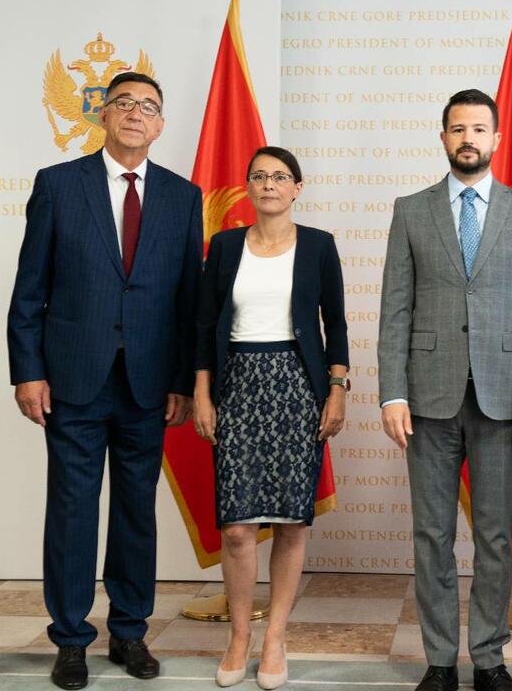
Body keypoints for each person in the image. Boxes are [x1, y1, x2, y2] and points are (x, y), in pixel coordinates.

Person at [7, 72, 203, 690]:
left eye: (149, 107)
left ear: (160, 124)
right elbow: (29, 288)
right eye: (124, 104)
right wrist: (28, 371)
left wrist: (181, 379)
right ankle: (70, 639)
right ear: (103, 114)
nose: (136, 114)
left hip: (149, 382)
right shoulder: (59, 184)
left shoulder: (182, 195)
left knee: (136, 511)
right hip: (73, 377)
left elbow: (189, 299)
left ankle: (129, 631)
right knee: (71, 511)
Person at [378, 89, 512, 691]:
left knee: (495, 536)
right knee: (431, 534)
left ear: (496, 138)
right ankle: (438, 660)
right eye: (458, 129)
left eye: (479, 129)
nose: (468, 139)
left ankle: (488, 658)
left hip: (504, 400)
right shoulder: (411, 210)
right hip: (427, 397)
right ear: (443, 137)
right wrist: (392, 393)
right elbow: (395, 308)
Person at [192, 146, 348, 690]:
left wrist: (337, 389)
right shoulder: (225, 245)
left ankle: (275, 637)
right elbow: (205, 324)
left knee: (289, 521)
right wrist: (203, 392)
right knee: (237, 527)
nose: (269, 184)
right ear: (248, 186)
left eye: (280, 177)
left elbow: (336, 324)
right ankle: (239, 636)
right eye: (259, 176)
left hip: (298, 387)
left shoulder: (319, 246)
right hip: (237, 384)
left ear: (297, 188)